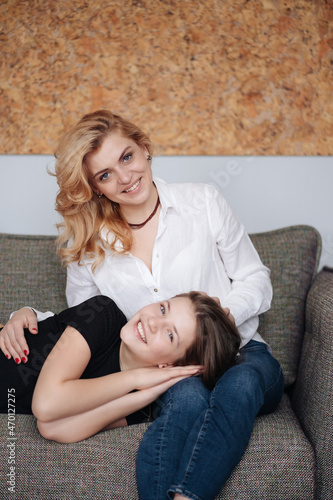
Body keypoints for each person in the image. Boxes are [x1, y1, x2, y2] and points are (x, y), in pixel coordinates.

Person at [0, 110, 284, 499]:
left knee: (242, 382)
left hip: (240, 350)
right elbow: (84, 324)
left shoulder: (202, 201)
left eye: (127, 157)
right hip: (171, 366)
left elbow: (256, 278)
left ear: (144, 149)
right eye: (105, 175)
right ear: (95, 187)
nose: (125, 178)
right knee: (185, 398)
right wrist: (26, 315)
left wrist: (219, 321)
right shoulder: (91, 245)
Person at [0, 292, 240, 444]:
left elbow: (50, 426)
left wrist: (145, 394)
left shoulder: (140, 402)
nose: (153, 321)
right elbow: (45, 404)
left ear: (171, 365)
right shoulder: (103, 313)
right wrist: (136, 379)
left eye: (170, 334)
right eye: (163, 308)